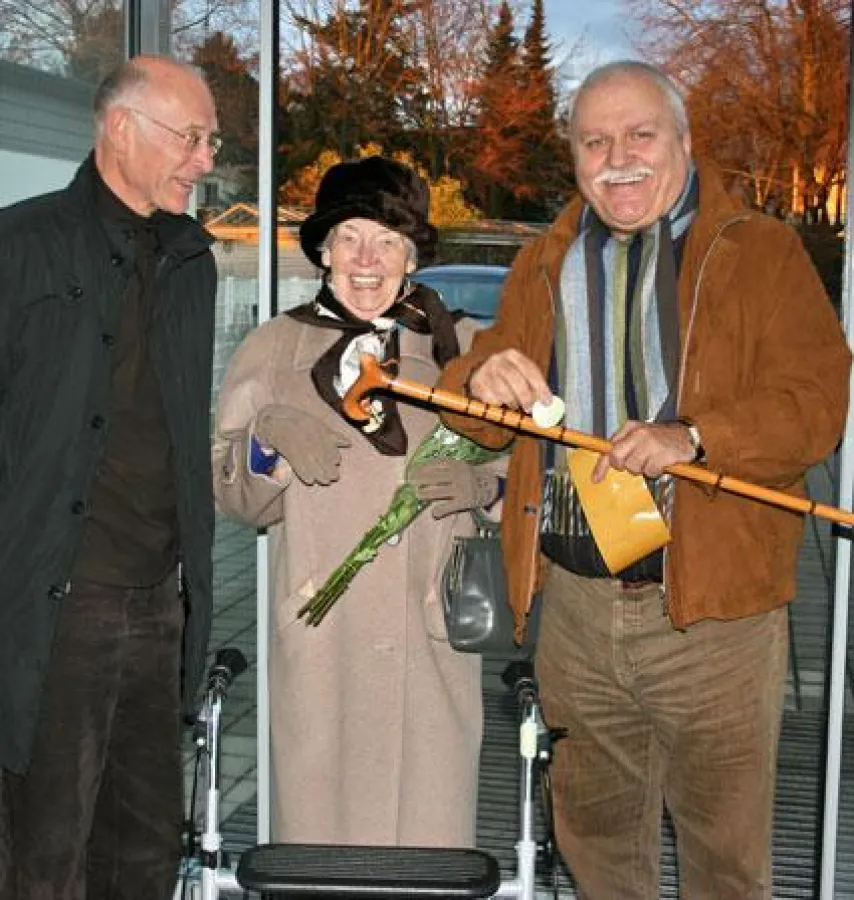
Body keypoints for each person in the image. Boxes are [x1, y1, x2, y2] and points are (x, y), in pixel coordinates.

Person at [438, 60, 851, 899]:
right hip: (578, 616)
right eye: (595, 141)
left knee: (725, 865)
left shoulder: (760, 252)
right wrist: (477, 378)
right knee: (595, 850)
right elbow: (475, 414)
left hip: (716, 618)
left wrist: (695, 437)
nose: (617, 157)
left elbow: (819, 404)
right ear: (575, 160)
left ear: (684, 143)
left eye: (639, 135)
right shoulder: (543, 263)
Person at [213, 156, 498, 847]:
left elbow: (529, 465)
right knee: (321, 852)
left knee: (428, 857)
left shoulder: (465, 348)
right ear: (323, 249)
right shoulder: (274, 346)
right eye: (350, 237)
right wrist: (267, 440)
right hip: (323, 643)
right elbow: (230, 488)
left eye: (387, 241)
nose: (366, 259)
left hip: (428, 648)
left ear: (411, 256)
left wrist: (485, 486)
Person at [0, 56, 219, 899]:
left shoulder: (192, 262)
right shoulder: (20, 248)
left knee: (141, 850)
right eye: (190, 137)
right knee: (43, 852)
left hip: (160, 605)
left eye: (211, 140)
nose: (205, 159)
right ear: (120, 129)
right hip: (57, 606)